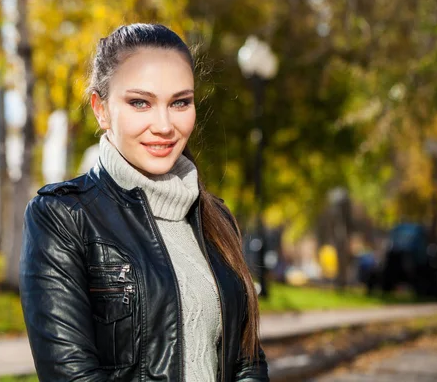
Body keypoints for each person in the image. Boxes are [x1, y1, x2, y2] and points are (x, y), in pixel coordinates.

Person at [20, 23, 269, 382]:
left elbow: (248, 360)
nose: (164, 125)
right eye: (141, 102)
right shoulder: (63, 217)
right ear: (101, 109)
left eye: (180, 102)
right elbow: (72, 377)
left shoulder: (216, 219)